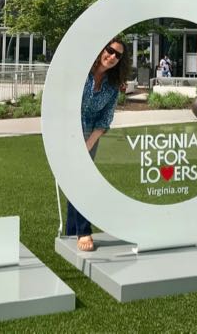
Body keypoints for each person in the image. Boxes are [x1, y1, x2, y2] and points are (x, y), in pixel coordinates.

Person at [67, 37, 130, 252]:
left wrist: (88, 143)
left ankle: (80, 230)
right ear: (101, 48)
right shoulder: (79, 73)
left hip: (89, 135)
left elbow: (105, 118)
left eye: (117, 55)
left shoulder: (113, 87)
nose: (112, 56)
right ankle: (77, 230)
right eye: (110, 50)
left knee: (80, 182)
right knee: (73, 181)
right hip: (67, 131)